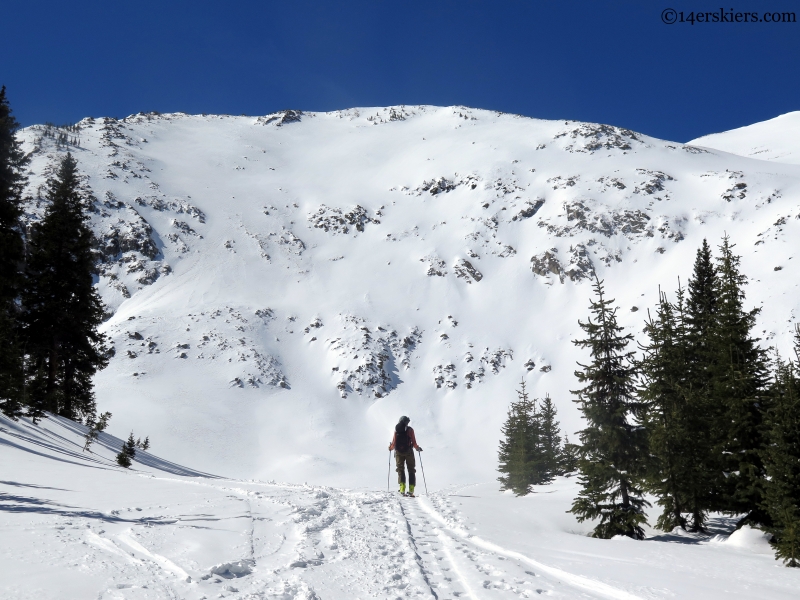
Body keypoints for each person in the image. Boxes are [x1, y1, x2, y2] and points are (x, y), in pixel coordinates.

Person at [388, 415, 422, 496]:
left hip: (398, 453)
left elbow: (394, 442)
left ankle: (402, 488)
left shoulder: (397, 430)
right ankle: (411, 489)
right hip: (409, 452)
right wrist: (417, 448)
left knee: (400, 469)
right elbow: (414, 442)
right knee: (411, 469)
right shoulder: (410, 430)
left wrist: (390, 448)